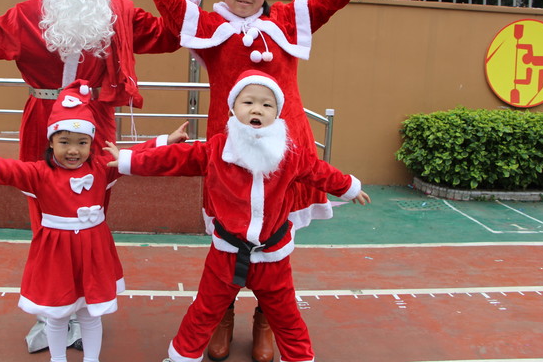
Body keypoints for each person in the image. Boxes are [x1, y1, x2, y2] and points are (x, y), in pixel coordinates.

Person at [131, 0, 404, 362]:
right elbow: (172, 6)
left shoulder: (286, 23)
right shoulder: (210, 27)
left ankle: (266, 319)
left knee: (275, 241)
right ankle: (222, 315)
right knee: (231, 237)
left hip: (286, 154)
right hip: (230, 154)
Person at [0, 0, 197, 352]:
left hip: (96, 124)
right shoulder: (29, 15)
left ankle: (83, 304)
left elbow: (168, 35)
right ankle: (51, 310)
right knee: (45, 219)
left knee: (92, 213)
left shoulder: (118, 12)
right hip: (43, 123)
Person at [106, 70, 371, 362]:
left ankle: (297, 356)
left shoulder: (289, 153)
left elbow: (319, 171)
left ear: (278, 114)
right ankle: (183, 355)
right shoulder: (217, 149)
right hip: (227, 254)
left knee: (286, 315)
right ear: (233, 108)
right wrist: (131, 159)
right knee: (205, 309)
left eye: (267, 104)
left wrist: (348, 186)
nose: (257, 109)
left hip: (273, 256)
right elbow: (175, 158)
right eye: (248, 102)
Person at [0, 79, 189, 362]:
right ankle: (57, 358)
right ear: (51, 141)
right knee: (57, 314)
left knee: (90, 313)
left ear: (91, 143)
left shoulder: (101, 167)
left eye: (82, 143)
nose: (73, 150)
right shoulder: (39, 173)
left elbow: (136, 154)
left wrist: (166, 141)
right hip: (56, 252)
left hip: (94, 251)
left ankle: (91, 359)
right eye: (65, 142)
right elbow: (6, 169)